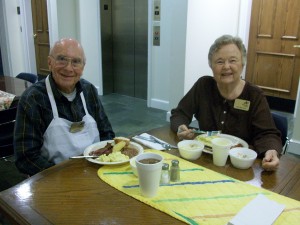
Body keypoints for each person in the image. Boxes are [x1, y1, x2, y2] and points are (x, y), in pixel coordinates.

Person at [170, 34, 282, 171]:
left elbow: (267, 133)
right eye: (219, 61)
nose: (226, 67)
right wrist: (181, 127)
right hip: (205, 160)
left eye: (233, 60)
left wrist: (271, 150)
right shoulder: (203, 86)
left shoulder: (254, 95)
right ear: (211, 66)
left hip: (240, 165)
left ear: (242, 64)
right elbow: (179, 113)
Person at [14, 38, 115, 176]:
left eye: (76, 62)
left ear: (83, 67)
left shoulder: (89, 90)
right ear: (50, 62)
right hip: (53, 179)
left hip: (95, 170)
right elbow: (26, 157)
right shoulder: (33, 98)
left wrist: (103, 157)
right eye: (62, 59)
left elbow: (107, 134)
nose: (68, 68)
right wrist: (64, 177)